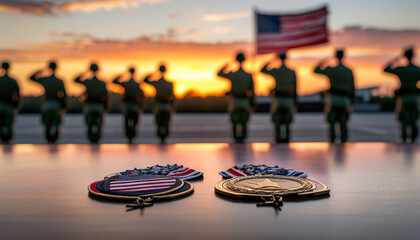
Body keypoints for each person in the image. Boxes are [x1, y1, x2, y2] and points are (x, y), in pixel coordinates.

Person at [314, 49, 355, 143]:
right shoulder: (348, 71)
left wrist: (325, 60)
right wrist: (351, 102)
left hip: (333, 99)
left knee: (331, 122)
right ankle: (344, 141)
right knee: (343, 123)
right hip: (345, 99)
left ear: (336, 57)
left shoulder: (331, 70)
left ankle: (332, 140)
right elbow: (352, 88)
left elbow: (316, 70)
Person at [217, 52, 255, 143]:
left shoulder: (233, 74)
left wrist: (228, 64)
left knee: (234, 122)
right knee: (244, 122)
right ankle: (243, 140)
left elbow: (219, 73)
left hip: (234, 101)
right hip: (245, 102)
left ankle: (236, 140)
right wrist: (252, 104)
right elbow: (252, 92)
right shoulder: (248, 75)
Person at [384, 47, 420, 143]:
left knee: (403, 120)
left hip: (403, 97)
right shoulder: (417, 69)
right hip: (414, 97)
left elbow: (386, 69)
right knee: (414, 120)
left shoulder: (401, 69)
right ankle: (413, 138)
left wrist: (397, 59)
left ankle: (404, 139)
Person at [260, 52, 297, 143]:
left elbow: (262, 70)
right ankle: (287, 140)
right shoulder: (292, 72)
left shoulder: (276, 71)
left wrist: (272, 61)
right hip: (288, 100)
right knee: (287, 122)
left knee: (277, 122)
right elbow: (295, 89)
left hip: (278, 100)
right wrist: (295, 102)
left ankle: (277, 139)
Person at [30, 61, 67, 143]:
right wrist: (64, 106)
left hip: (47, 104)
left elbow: (31, 78)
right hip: (56, 104)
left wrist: (42, 71)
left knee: (47, 122)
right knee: (56, 122)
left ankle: (48, 137)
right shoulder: (59, 81)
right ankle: (55, 137)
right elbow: (64, 95)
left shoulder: (45, 79)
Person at [75, 63, 108, 144]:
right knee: (99, 123)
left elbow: (76, 80)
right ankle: (97, 137)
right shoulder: (102, 83)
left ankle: (90, 137)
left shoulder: (87, 82)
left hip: (89, 105)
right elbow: (106, 96)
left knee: (89, 123)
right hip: (99, 106)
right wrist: (106, 107)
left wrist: (85, 73)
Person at [143, 64, 175, 144]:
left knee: (158, 121)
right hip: (167, 106)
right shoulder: (170, 83)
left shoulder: (157, 82)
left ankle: (160, 134)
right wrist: (173, 106)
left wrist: (154, 73)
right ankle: (165, 134)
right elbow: (173, 97)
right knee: (166, 121)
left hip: (158, 106)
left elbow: (145, 80)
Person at [113, 66, 145, 144]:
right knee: (135, 121)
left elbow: (114, 81)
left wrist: (121, 75)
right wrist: (141, 106)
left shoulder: (125, 83)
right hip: (135, 106)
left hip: (127, 106)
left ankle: (128, 134)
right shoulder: (137, 84)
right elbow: (142, 96)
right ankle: (133, 133)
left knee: (126, 121)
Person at [0, 61, 20, 143]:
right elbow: (17, 95)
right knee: (9, 125)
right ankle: (8, 141)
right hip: (9, 106)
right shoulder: (12, 81)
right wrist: (16, 106)